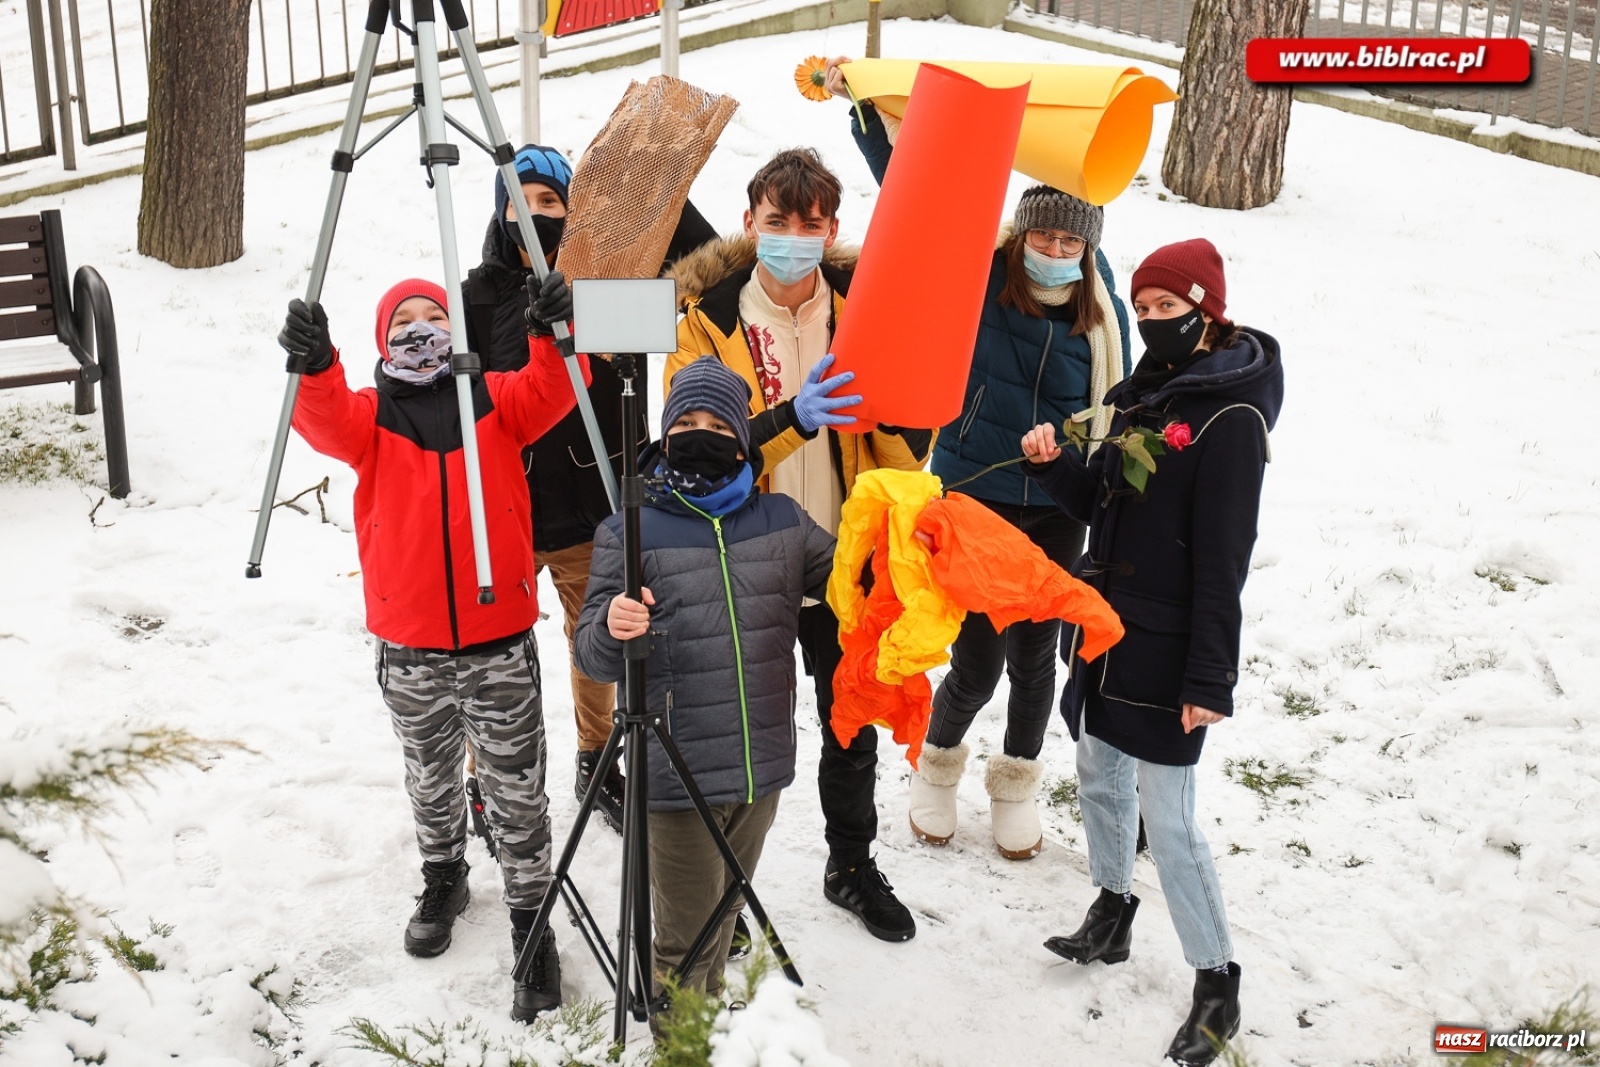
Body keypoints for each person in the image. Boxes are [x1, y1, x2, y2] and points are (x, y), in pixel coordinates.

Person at [822, 59, 1132, 861]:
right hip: (971, 493)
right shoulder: (982, 275)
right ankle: (937, 769)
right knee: (978, 655)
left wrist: (1072, 453)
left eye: (1070, 238)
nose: (1053, 249)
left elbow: (1120, 410)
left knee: (1035, 659)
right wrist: (864, 109)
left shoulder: (1105, 318)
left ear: (1086, 245)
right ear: (1023, 233)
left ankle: (1017, 785)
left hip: (1053, 506)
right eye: (1043, 234)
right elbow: (917, 189)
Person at [278, 274, 589, 1023]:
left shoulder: (495, 399)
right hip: (409, 644)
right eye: (405, 323)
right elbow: (319, 422)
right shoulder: (370, 414)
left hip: (498, 641)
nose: (421, 332)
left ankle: (529, 918)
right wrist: (315, 364)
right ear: (385, 339)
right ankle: (444, 872)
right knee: (430, 774)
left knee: (516, 787)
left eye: (434, 318)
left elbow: (555, 390)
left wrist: (552, 334)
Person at [1019, 239, 1283, 1066]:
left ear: (1207, 311)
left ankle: (1217, 980)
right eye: (1142, 309)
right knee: (1098, 774)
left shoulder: (1230, 417)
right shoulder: (1140, 397)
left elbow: (1222, 561)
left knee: (1168, 821)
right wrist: (1059, 463)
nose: (1151, 320)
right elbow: (1104, 501)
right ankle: (1112, 908)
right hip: (1107, 630)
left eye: (1167, 307)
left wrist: (1210, 676)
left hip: (1172, 649)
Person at [663, 147, 933, 942]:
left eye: (810, 224)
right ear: (749, 224)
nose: (794, 236)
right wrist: (791, 421)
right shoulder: (706, 321)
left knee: (849, 724)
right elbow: (693, 446)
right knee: (734, 733)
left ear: (831, 229)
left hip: (842, 558)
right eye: (777, 222)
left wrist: (897, 423)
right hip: (746, 559)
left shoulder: (864, 309)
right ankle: (718, 884)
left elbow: (907, 454)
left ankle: (850, 863)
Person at [465, 144, 718, 831]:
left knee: (596, 642)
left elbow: (709, 265)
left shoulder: (610, 284)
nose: (537, 216)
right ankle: (484, 774)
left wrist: (655, 188)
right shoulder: (476, 296)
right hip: (508, 512)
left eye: (551, 202)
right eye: (522, 204)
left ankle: (596, 753)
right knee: (489, 654)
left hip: (591, 503)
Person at [574, 357, 835, 1008]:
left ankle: (710, 1021)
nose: (700, 432)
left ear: (744, 438)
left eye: (717, 422)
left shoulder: (784, 521)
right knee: (682, 945)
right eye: (685, 421)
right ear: (663, 435)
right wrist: (612, 623)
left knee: (720, 919)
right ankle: (685, 1044)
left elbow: (854, 585)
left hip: (760, 769)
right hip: (677, 777)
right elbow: (594, 656)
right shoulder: (629, 531)